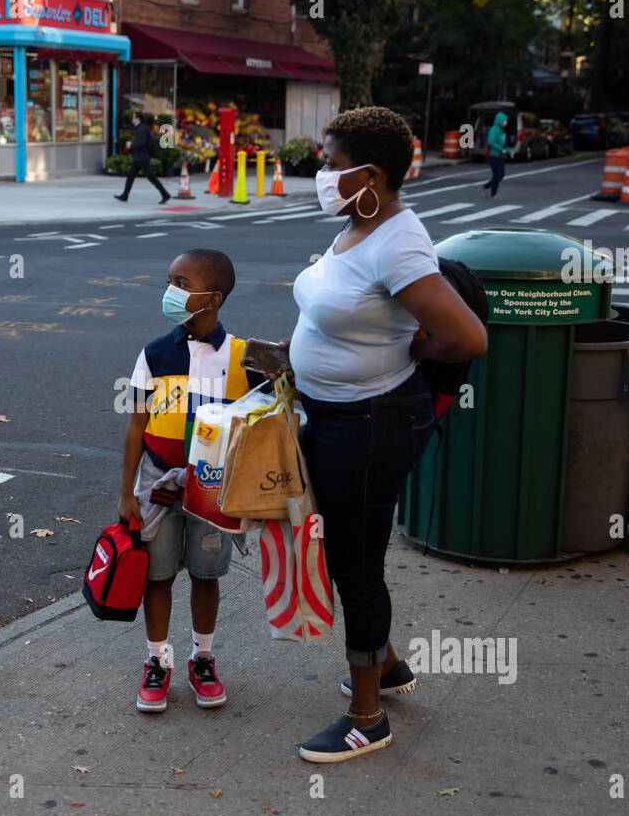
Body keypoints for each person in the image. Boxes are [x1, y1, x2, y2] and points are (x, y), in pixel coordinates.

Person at [283, 107, 487, 763]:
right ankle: (389, 667)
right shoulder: (357, 226)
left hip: (372, 425)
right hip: (335, 415)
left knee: (356, 565)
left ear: (369, 173)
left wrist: (404, 353)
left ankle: (367, 717)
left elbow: (466, 336)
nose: (321, 173)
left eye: (331, 162)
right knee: (337, 548)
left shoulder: (397, 241)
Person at [118, 249, 261, 713]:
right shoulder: (155, 353)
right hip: (156, 484)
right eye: (170, 280)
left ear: (213, 297)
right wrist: (125, 493)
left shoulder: (242, 358)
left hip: (213, 491)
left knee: (206, 573)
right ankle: (157, 661)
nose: (171, 291)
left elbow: (270, 415)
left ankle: (203, 657)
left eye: (182, 283)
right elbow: (136, 425)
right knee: (156, 576)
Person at [115, 110, 171, 204]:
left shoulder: (141, 129)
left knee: (150, 177)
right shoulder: (140, 128)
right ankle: (125, 195)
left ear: (138, 119)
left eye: (133, 117)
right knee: (131, 176)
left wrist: (131, 145)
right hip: (139, 157)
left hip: (142, 158)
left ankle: (165, 194)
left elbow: (141, 142)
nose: (132, 119)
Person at [482, 111, 509, 197]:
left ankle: (486, 186)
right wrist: (502, 150)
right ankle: (494, 193)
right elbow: (491, 142)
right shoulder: (494, 130)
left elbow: (503, 145)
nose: (506, 122)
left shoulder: (502, 131)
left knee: (501, 175)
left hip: (500, 157)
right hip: (493, 156)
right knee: (496, 175)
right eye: (505, 120)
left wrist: (509, 150)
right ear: (500, 121)